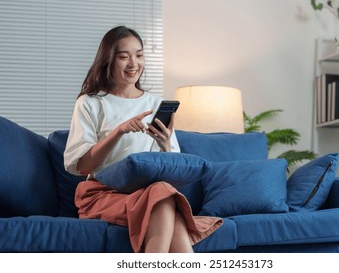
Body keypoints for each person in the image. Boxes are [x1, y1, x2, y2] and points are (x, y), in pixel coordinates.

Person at [64, 26, 222, 253]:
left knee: (163, 193)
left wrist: (165, 144)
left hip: (150, 193)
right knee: (165, 199)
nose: (133, 64)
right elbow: (81, 167)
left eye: (139, 55)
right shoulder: (91, 103)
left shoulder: (155, 104)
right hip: (102, 194)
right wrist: (119, 131)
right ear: (108, 60)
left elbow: (171, 169)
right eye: (123, 56)